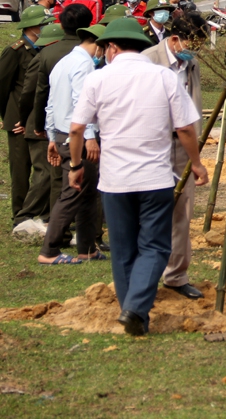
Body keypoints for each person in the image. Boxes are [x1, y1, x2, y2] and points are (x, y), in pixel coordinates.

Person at [70, 17, 208, 335]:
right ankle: (135, 310)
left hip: (114, 180)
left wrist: (76, 166)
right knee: (155, 246)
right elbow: (185, 128)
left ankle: (132, 311)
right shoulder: (164, 77)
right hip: (155, 178)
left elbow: (76, 129)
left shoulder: (98, 79)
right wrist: (196, 163)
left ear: (112, 48)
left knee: (122, 249)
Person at [139, 31, 203, 298]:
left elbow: (193, 105)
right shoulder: (148, 60)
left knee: (182, 211)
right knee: (149, 210)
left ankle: (176, 275)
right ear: (175, 38)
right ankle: (142, 278)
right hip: (153, 143)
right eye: (191, 43)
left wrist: (195, 151)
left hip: (182, 144)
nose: (193, 49)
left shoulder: (191, 63)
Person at [39, 24, 103, 264]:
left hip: (61, 133)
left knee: (87, 192)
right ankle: (49, 250)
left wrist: (51, 137)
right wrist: (89, 137)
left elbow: (51, 104)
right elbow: (81, 103)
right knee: (73, 192)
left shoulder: (62, 63)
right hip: (77, 136)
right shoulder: (84, 65)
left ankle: (87, 248)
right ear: (98, 46)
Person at [2, 7, 55, 237]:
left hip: (37, 117)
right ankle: (19, 215)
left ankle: (37, 212)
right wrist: (7, 117)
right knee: (20, 169)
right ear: (31, 26)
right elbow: (3, 85)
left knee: (42, 167)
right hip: (17, 119)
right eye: (42, 23)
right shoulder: (15, 51)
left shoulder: (44, 48)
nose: (46, 26)